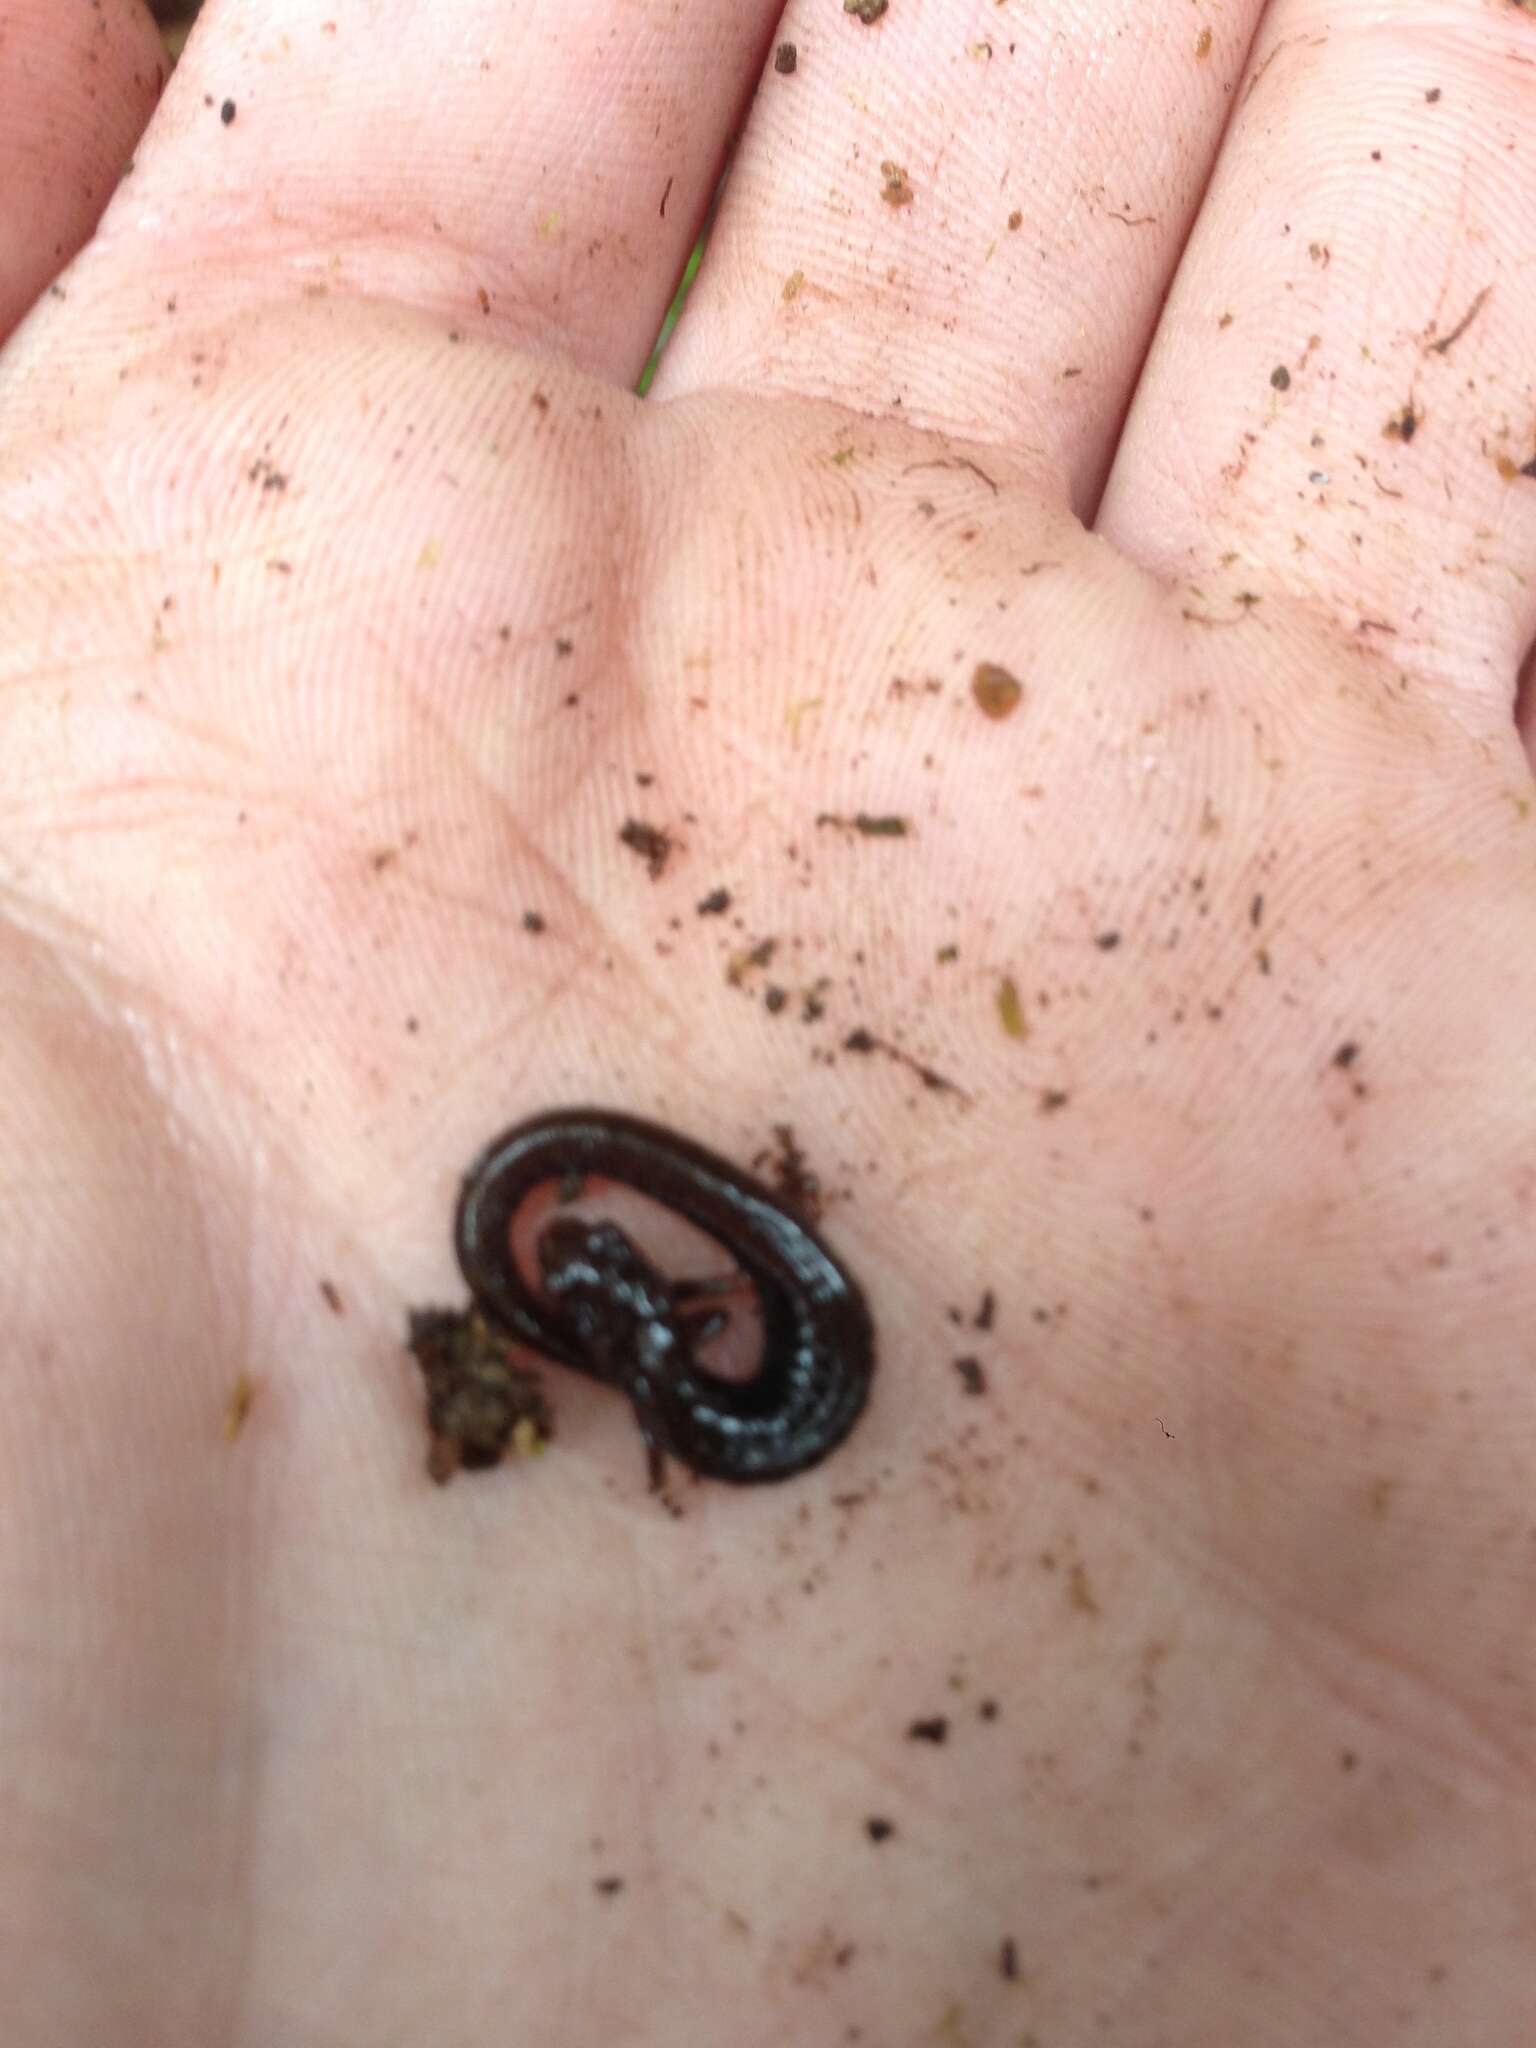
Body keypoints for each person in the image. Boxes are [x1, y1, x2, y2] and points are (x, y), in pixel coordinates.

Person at [2, 3, 1533, 2042]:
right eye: (606, 1284)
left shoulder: (691, 1366)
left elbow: (683, 1329)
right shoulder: (698, 1353)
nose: (607, 1272)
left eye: (596, 1271)